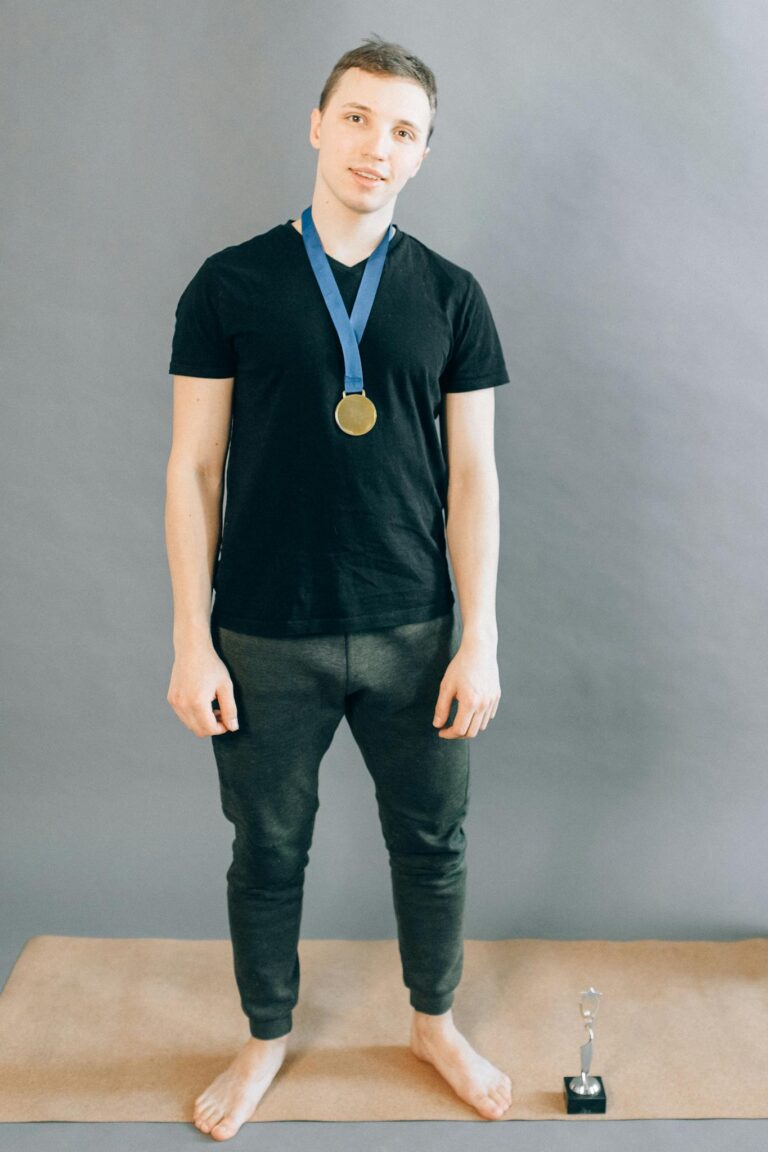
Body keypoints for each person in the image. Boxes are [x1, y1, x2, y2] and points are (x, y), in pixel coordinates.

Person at [165, 33, 512, 1140]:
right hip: (265, 631)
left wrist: (482, 636)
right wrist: (190, 638)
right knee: (267, 849)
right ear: (318, 126)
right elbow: (192, 467)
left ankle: (434, 1023)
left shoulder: (453, 297)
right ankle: (266, 1034)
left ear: (423, 156)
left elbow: (473, 476)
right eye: (359, 118)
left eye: (404, 130)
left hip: (417, 629)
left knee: (434, 844)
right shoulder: (229, 283)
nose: (378, 145)